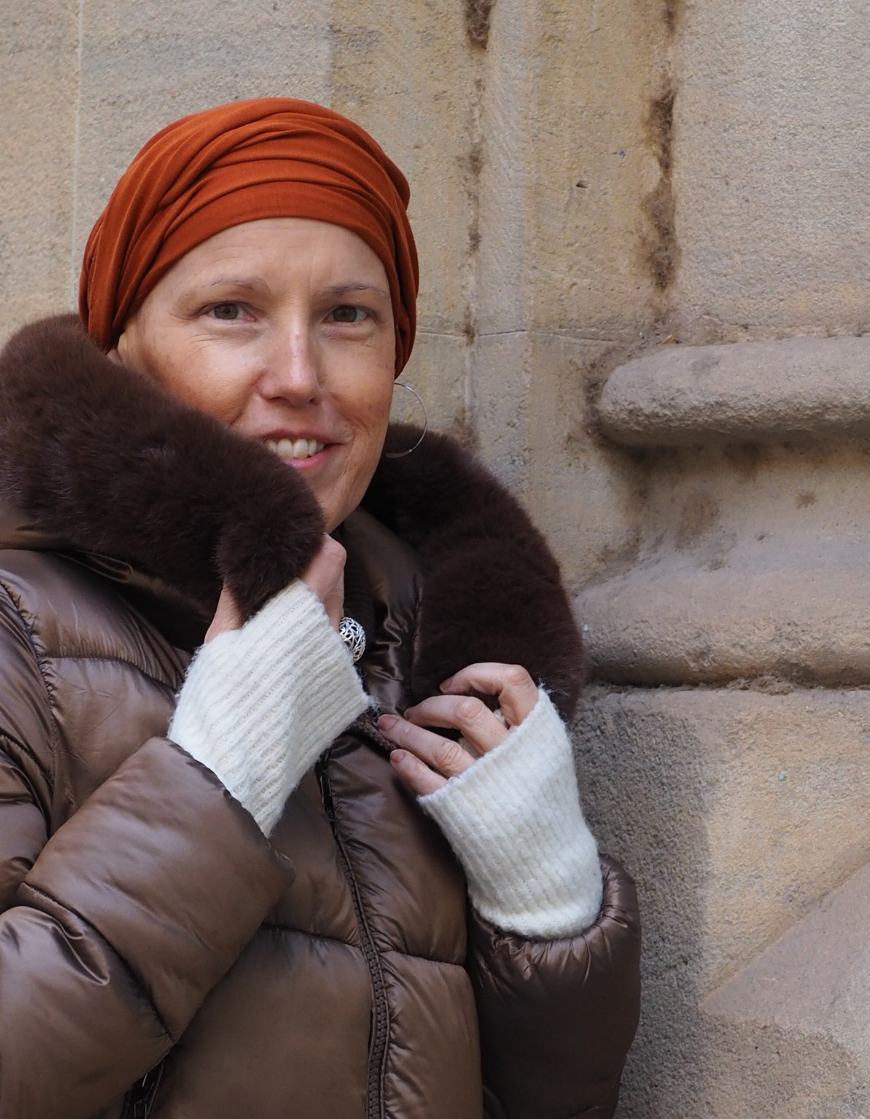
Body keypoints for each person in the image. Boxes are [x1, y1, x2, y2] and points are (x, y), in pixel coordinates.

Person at [0, 97, 640, 1119]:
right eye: (231, 312)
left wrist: (550, 910)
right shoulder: (18, 633)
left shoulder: (432, 654)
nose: (299, 377)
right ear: (123, 344)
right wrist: (214, 776)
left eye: (347, 316)